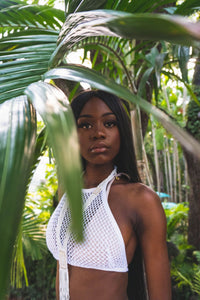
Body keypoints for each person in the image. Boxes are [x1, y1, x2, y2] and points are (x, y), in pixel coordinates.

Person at [46, 90, 172, 300]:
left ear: (121, 130)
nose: (98, 133)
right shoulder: (68, 191)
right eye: (85, 125)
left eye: (109, 123)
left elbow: (160, 294)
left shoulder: (141, 200)